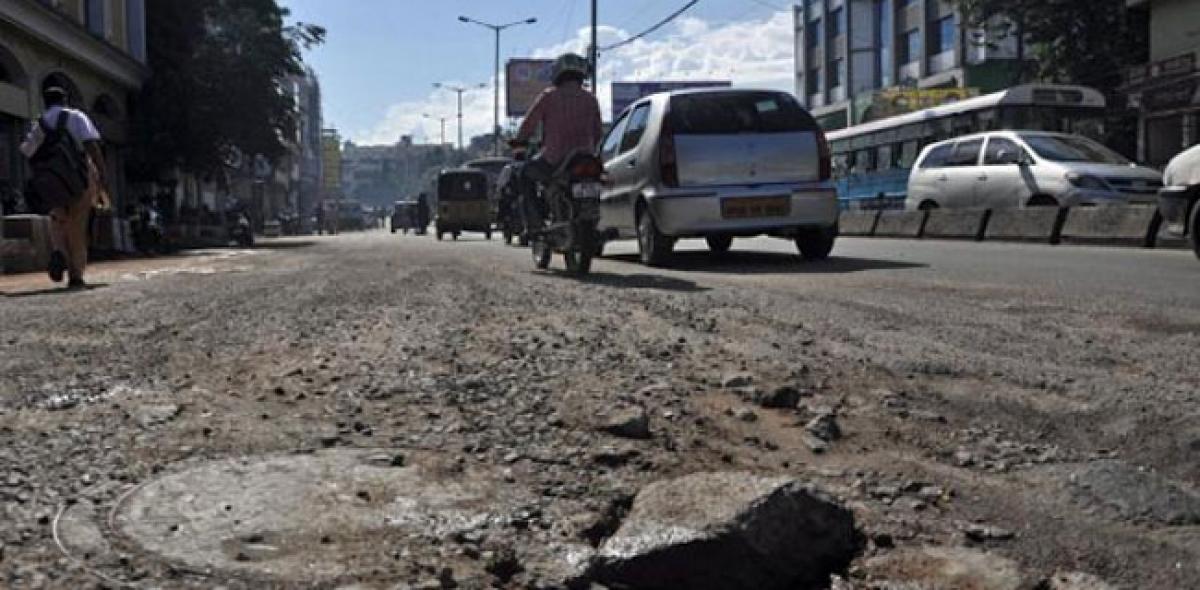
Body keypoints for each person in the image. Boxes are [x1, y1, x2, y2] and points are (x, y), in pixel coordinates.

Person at [19, 87, 108, 289]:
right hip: (78, 178)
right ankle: (76, 275)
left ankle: (59, 251)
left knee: (58, 221)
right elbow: (91, 144)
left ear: (45, 102)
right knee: (77, 225)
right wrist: (102, 174)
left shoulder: (39, 123)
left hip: (50, 182)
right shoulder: (76, 117)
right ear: (65, 100)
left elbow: (27, 152)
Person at [513, 53, 604, 210]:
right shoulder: (591, 99)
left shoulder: (549, 97)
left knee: (524, 174)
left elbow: (528, 125)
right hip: (586, 156)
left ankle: (535, 223)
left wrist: (519, 145)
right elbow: (598, 133)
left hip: (554, 159)